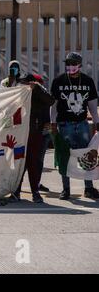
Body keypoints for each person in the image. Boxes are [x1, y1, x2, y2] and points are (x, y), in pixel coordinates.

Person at [50, 52, 99, 200]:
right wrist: (52, 123)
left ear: (79, 64)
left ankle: (89, 188)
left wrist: (97, 123)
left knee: (86, 154)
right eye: (68, 63)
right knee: (64, 156)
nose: (70, 66)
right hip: (64, 124)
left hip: (82, 124)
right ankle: (66, 189)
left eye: (73, 63)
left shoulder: (88, 81)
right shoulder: (58, 81)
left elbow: (92, 105)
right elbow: (54, 105)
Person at [2, 72, 55, 203]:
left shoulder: (39, 94)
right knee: (19, 163)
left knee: (34, 164)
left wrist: (36, 88)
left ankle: (35, 192)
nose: (23, 85)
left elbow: (51, 100)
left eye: (26, 83)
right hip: (20, 137)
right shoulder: (19, 96)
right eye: (22, 83)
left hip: (36, 135)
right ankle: (16, 192)